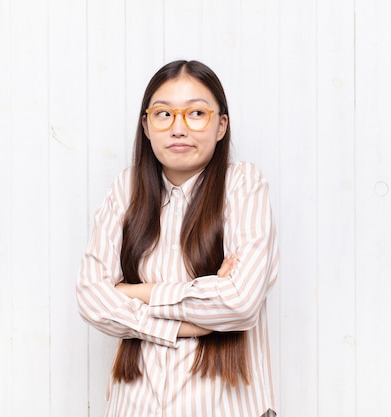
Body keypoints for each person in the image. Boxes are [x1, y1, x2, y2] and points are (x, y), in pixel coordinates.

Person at [76, 60, 279, 417]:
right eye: (164, 114)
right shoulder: (126, 190)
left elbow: (240, 301)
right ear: (147, 125)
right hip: (134, 407)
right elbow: (92, 298)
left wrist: (137, 292)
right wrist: (186, 325)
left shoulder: (243, 186)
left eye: (197, 113)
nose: (179, 128)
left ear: (221, 125)